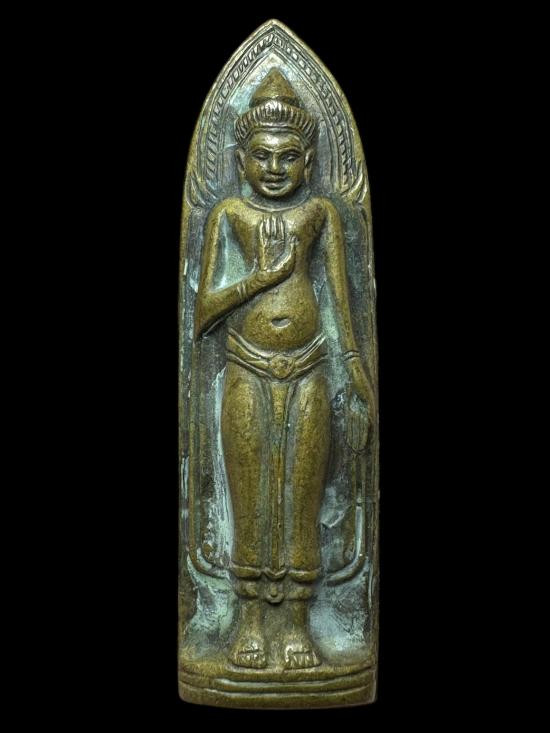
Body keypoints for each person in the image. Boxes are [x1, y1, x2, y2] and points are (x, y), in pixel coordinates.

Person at [195, 69, 374, 670]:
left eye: (289, 156)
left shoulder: (320, 213)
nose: (275, 168)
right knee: (250, 497)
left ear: (309, 160)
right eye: (262, 156)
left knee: (302, 495)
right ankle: (248, 621)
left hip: (311, 368)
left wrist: (357, 370)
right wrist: (262, 278)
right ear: (240, 159)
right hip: (246, 366)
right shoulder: (229, 215)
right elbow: (202, 314)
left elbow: (344, 304)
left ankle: (297, 625)